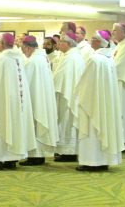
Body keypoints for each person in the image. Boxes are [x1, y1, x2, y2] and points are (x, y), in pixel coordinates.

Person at [0, 33, 36, 170]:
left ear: (2, 44)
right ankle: (11, 160)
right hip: (16, 101)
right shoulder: (19, 59)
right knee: (14, 125)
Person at [75, 32, 124, 171]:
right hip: (105, 103)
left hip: (93, 101)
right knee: (103, 127)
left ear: (98, 41)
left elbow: (86, 83)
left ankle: (91, 161)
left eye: (92, 39)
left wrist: (78, 93)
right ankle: (103, 161)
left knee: (92, 130)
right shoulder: (109, 59)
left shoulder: (94, 59)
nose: (90, 41)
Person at [19, 36, 59, 166]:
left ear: (29, 47)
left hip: (35, 98)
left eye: (23, 49)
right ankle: (39, 155)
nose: (23, 52)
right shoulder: (43, 58)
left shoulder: (32, 62)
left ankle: (35, 156)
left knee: (35, 123)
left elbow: (26, 83)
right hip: (43, 97)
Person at [53, 33, 85, 162]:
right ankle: (69, 151)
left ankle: (69, 152)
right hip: (71, 93)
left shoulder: (70, 58)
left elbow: (59, 77)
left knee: (67, 122)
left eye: (61, 42)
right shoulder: (73, 56)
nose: (59, 44)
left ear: (69, 43)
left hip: (68, 96)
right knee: (68, 123)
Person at [112, 23, 125, 151]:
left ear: (123, 31)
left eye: (115, 30)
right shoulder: (119, 45)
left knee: (124, 111)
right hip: (117, 81)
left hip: (123, 83)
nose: (113, 33)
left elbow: (119, 65)